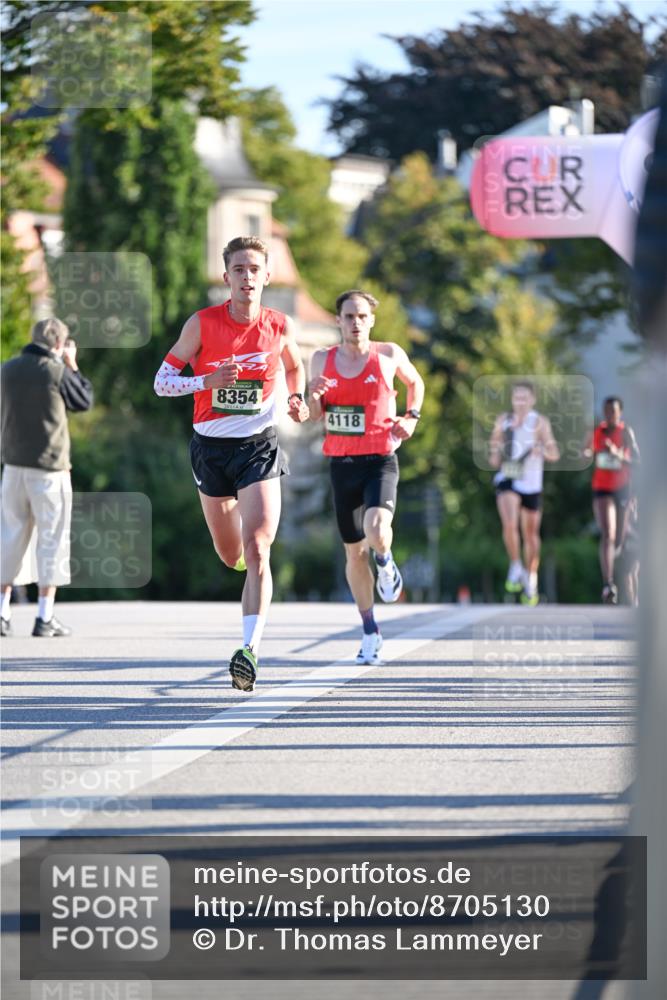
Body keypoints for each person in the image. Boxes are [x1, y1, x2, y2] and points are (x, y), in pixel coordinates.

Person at [154, 236, 309, 691]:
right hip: (211, 449)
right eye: (238, 269)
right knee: (232, 555)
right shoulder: (201, 324)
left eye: (254, 269)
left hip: (258, 446)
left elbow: (295, 369)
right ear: (227, 277)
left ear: (266, 276)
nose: (246, 277)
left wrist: (296, 398)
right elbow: (162, 383)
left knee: (260, 546)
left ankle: (249, 650)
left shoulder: (280, 326)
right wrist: (206, 379)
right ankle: (242, 563)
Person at [308, 289, 424, 664]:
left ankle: (387, 561)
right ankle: (370, 629)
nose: (355, 323)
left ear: (371, 321)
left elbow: (416, 384)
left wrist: (411, 417)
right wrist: (312, 395)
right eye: (348, 316)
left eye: (361, 316)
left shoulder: (388, 354)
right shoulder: (321, 360)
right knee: (354, 555)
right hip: (342, 466)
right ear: (338, 320)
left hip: (380, 459)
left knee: (376, 529)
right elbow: (313, 415)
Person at [1, 318, 94, 637]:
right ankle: (44, 616)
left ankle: (2, 612)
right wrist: (73, 364)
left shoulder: (7, 369)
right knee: (51, 540)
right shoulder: (56, 371)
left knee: (9, 537)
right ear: (58, 344)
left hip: (12, 467)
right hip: (50, 469)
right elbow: (83, 401)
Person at [489, 381, 560, 606]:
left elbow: (554, 453)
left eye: (524, 398)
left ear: (532, 400)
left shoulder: (539, 422)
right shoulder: (504, 421)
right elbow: (492, 458)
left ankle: (531, 577)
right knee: (509, 523)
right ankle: (515, 564)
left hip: (531, 483)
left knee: (530, 534)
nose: (520, 402)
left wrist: (541, 450)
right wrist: (499, 446)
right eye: (516, 397)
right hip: (508, 477)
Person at [586, 397, 640, 605]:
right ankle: (608, 584)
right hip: (602, 488)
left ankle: (625, 576)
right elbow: (585, 453)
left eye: (613, 412)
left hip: (623, 488)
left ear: (620, 413)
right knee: (607, 534)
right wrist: (586, 453)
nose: (609, 415)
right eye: (606, 411)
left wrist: (617, 454)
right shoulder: (596, 432)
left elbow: (638, 461)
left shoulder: (626, 432)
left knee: (619, 538)